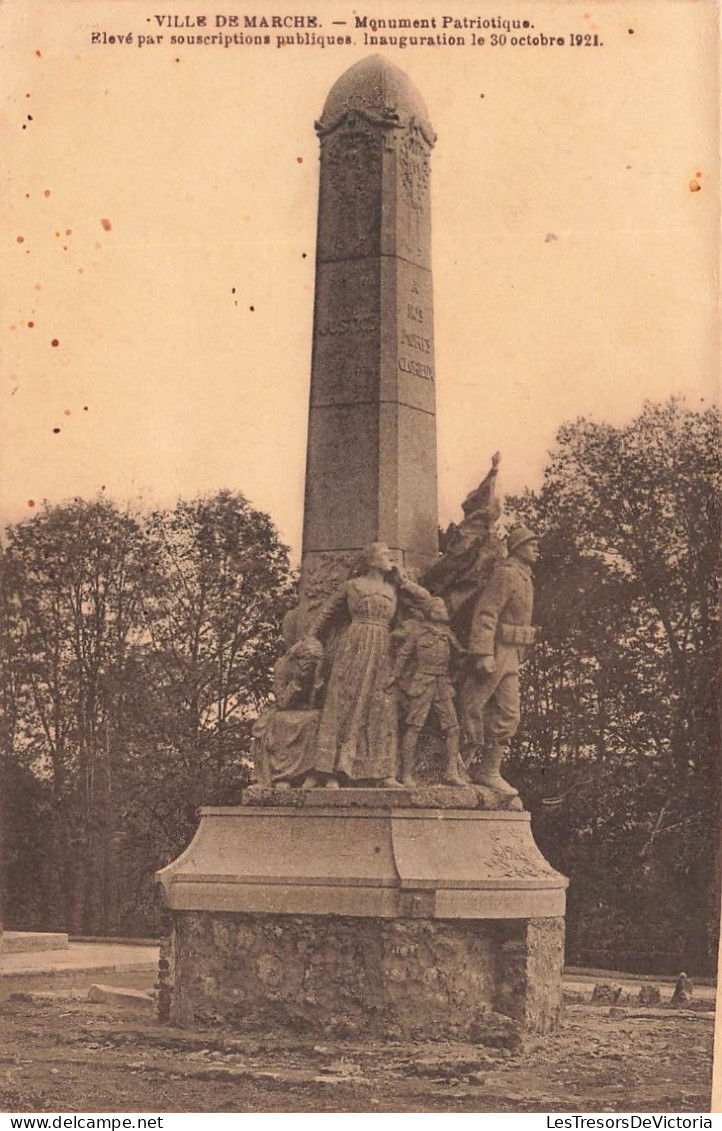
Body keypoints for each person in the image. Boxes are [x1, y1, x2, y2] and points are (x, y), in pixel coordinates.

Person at [303, 542, 427, 788]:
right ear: (370, 560)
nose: (389, 559)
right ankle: (331, 771)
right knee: (343, 702)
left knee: (381, 706)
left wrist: (403, 581)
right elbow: (326, 613)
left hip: (383, 647)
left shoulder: (394, 589)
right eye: (384, 555)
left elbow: (427, 603)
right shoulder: (352, 586)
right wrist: (310, 637)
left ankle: (383, 771)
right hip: (355, 644)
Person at [459, 526, 540, 796]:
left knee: (509, 713)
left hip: (512, 654)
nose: (536, 549)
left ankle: (488, 770)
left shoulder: (526, 577)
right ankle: (455, 765)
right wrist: (483, 653)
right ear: (517, 548)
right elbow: (487, 613)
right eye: (531, 545)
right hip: (495, 651)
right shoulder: (506, 574)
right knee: (473, 707)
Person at [388, 595, 466, 786]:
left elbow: (459, 658)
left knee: (453, 728)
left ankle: (451, 772)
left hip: (443, 684)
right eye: (440, 608)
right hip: (423, 682)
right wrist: (394, 676)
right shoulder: (418, 632)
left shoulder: (448, 634)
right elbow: (404, 654)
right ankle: (406, 774)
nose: (445, 611)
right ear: (431, 612)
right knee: (414, 727)